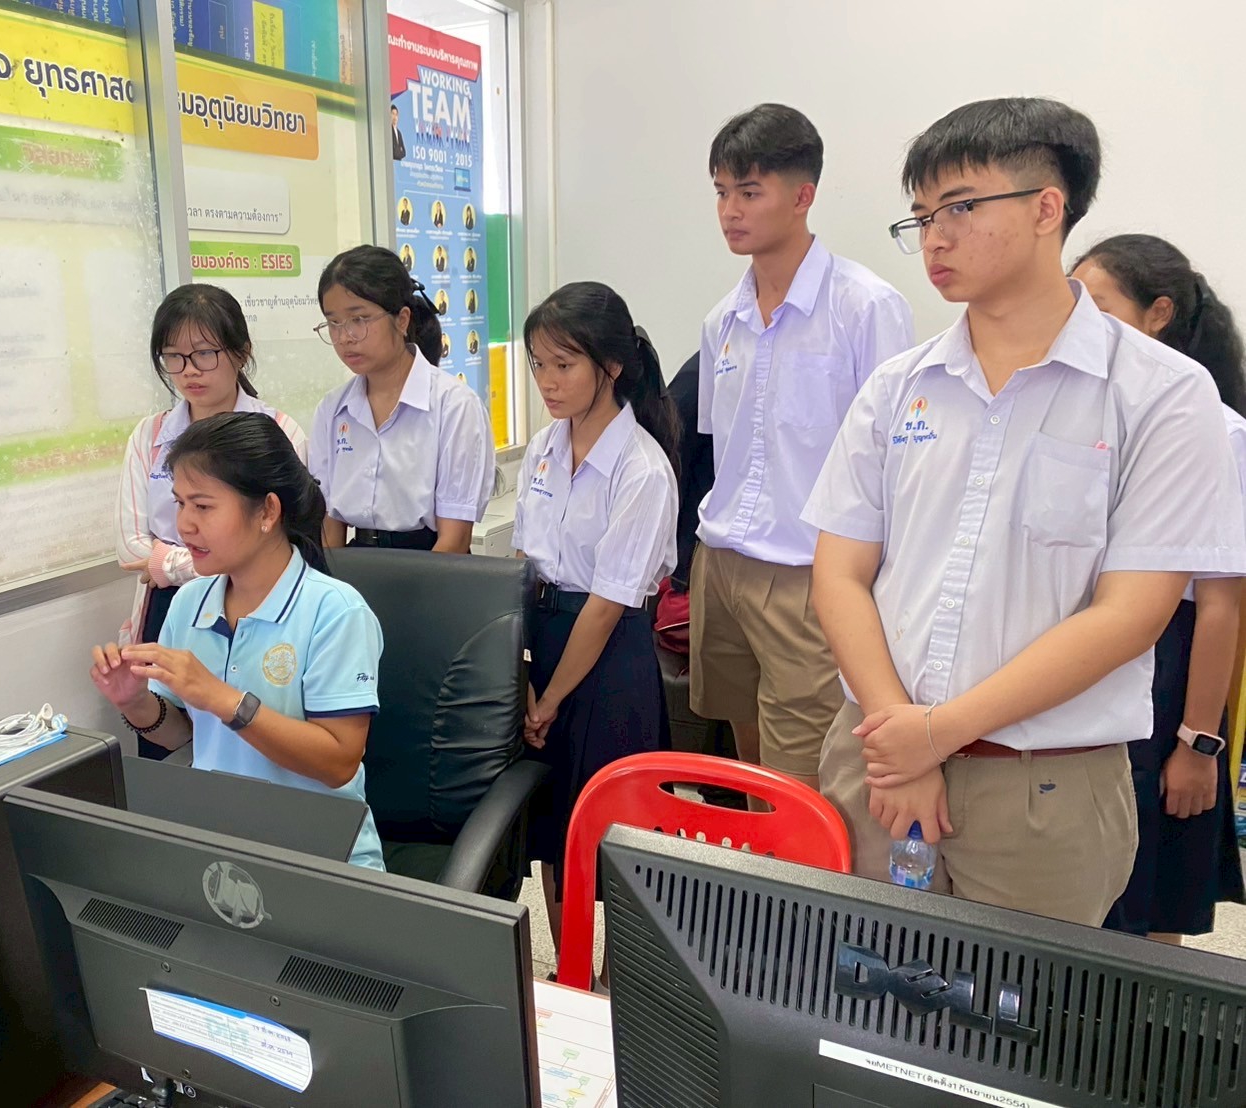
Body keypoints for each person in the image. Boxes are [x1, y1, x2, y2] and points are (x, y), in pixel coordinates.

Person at [804, 98, 1246, 927]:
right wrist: (904, 739)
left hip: (1043, 787)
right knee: (861, 990)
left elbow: (1131, 613)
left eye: (959, 207)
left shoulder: (1160, 394)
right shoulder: (897, 387)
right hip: (877, 761)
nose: (934, 238)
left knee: (1025, 1005)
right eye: (921, 216)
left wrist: (938, 732)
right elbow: (840, 572)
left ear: (1048, 208)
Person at [692, 104, 914, 790]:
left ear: (802, 195)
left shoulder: (865, 307)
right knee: (740, 752)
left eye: (748, 191)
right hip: (720, 562)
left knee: (800, 775)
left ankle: (792, 864)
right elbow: (720, 448)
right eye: (721, 192)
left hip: (807, 574)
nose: (730, 211)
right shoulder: (721, 320)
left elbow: (897, 465)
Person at [93, 412, 386, 870]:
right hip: (222, 852)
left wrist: (221, 697)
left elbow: (338, 763)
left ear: (267, 511)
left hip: (321, 856)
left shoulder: (335, 612)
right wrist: (135, 702)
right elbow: (182, 735)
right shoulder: (189, 602)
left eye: (203, 506)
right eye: (180, 503)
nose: (184, 525)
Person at [1071, 233, 1246, 941]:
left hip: (1168, 670)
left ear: (1158, 313)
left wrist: (1197, 744)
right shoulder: (1084, 412)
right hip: (1086, 648)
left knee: (1150, 887)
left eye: (1098, 305)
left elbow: (1220, 605)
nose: (1076, 318)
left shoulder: (1217, 430)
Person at [514, 281, 679, 947]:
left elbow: (609, 603)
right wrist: (522, 678)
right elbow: (523, 565)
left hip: (609, 658)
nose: (546, 382)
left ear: (609, 366)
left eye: (564, 364)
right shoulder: (542, 448)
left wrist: (549, 699)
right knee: (553, 825)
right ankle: (570, 967)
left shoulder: (641, 469)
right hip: (543, 640)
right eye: (538, 364)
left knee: (617, 831)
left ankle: (620, 975)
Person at [116, 284, 308, 757]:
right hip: (168, 607)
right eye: (173, 357)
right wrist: (198, 563)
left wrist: (168, 563)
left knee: (252, 734)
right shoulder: (151, 434)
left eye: (204, 353)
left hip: (254, 605)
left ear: (241, 352)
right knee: (167, 742)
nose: (188, 370)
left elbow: (283, 538)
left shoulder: (279, 433)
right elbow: (130, 546)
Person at [309, 245, 493, 552]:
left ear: (402, 320)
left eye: (359, 319)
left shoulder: (454, 405)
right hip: (354, 563)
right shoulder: (332, 409)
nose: (344, 337)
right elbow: (329, 526)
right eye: (334, 323)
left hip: (432, 561)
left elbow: (455, 538)